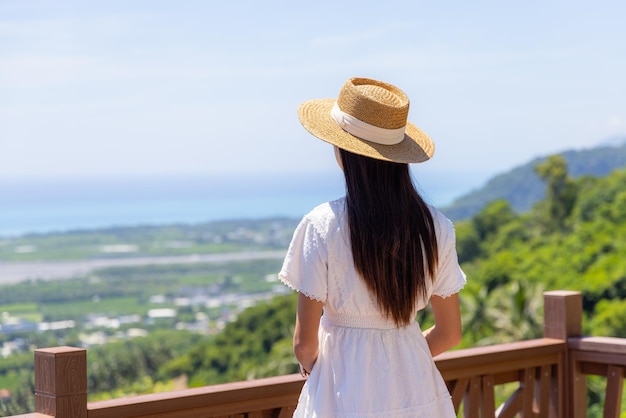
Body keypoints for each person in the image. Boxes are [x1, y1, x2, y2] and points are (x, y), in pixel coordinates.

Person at [279, 77, 466, 417]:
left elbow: (305, 345)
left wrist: (332, 366)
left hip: (341, 393)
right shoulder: (435, 227)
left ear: (345, 152)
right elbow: (450, 333)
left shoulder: (322, 225)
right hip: (417, 389)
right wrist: (399, 359)